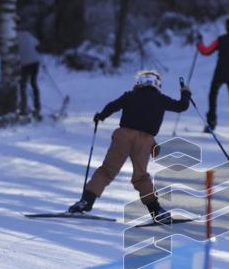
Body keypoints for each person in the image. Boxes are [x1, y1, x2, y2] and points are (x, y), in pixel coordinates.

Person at [68, 70, 190, 223]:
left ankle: (85, 201)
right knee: (141, 177)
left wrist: (101, 116)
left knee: (107, 170)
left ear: (139, 82)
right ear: (157, 84)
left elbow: (112, 106)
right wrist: (185, 92)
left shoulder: (130, 95)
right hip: (145, 141)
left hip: (123, 136)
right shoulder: (161, 99)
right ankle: (156, 211)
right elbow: (181, 106)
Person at [17, 29, 41, 116]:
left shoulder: (13, 37)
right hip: (35, 62)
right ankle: (37, 107)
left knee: (23, 85)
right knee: (33, 83)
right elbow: (37, 44)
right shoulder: (29, 34)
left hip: (24, 63)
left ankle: (23, 108)